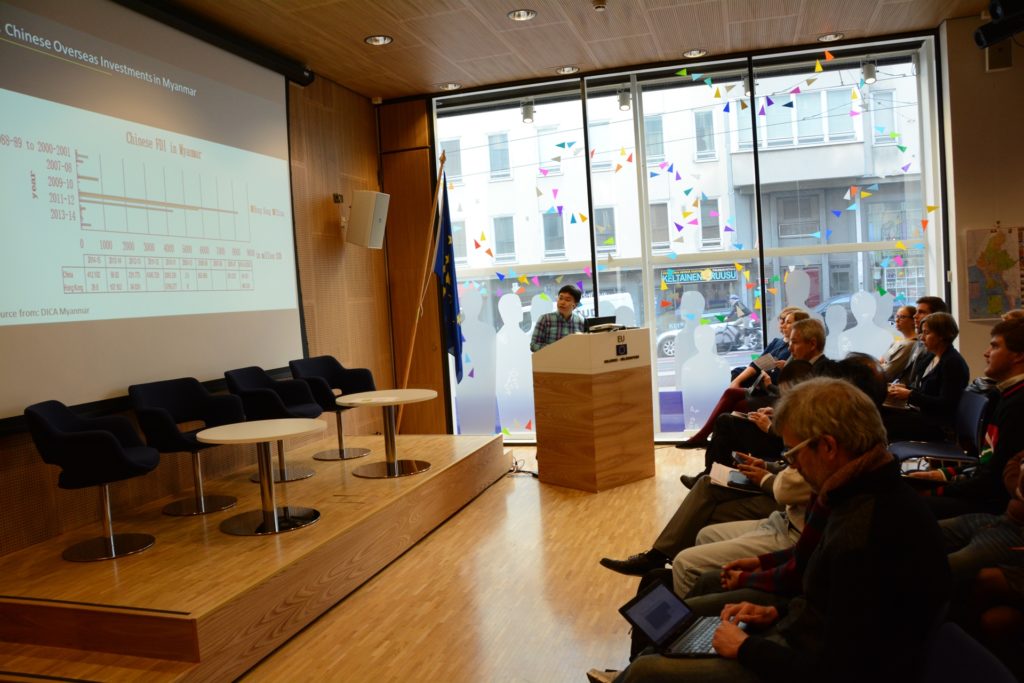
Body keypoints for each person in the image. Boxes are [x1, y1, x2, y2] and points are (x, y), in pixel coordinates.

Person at [588, 378, 951, 683]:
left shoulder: (864, 532)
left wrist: (747, 647)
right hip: (800, 635)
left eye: (793, 454)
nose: (792, 465)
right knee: (685, 612)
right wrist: (776, 614)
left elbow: (838, 671)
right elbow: (825, 604)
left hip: (806, 661)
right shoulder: (863, 493)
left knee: (650, 671)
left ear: (827, 447)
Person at [884, 311, 969, 442]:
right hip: (924, 415)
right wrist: (904, 388)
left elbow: (946, 404)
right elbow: (924, 390)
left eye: (927, 333)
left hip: (939, 425)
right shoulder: (931, 356)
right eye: (922, 332)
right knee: (879, 412)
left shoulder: (952, 363)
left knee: (883, 422)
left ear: (942, 335)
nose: (922, 338)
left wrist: (910, 395)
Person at [728, 307, 807, 390]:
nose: (782, 326)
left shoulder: (798, 348)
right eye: (781, 322)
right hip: (764, 377)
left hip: (773, 384)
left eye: (787, 322)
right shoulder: (777, 342)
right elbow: (757, 364)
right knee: (737, 372)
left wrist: (786, 367)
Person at [529, 283, 584, 352]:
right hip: (549, 361)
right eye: (560, 298)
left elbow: (583, 346)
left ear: (575, 305)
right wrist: (556, 349)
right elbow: (534, 345)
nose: (562, 302)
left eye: (567, 300)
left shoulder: (580, 321)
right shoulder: (545, 319)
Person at [880, 304, 917, 382]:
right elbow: (881, 361)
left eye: (902, 317)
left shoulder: (911, 344)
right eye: (897, 316)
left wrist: (881, 365)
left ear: (913, 320)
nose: (896, 320)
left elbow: (888, 372)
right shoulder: (898, 342)